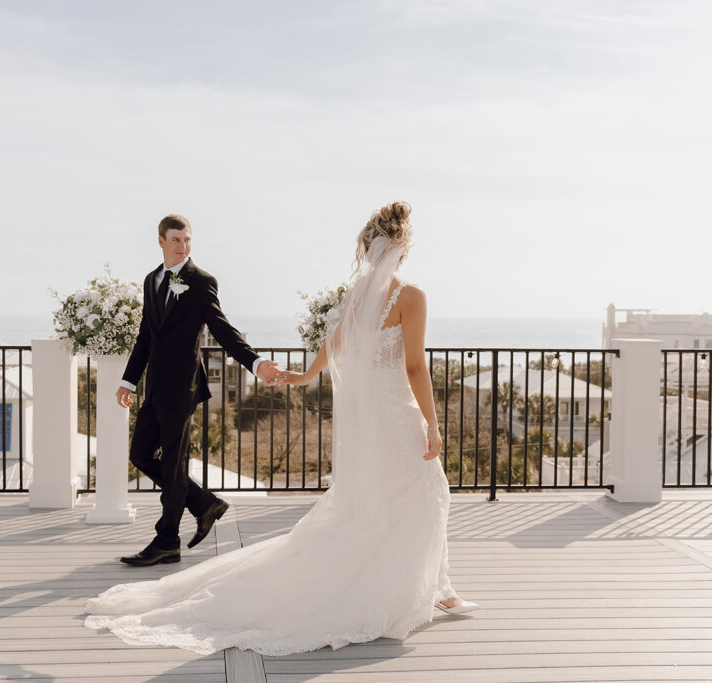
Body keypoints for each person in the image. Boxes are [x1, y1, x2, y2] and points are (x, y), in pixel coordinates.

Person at [85, 202, 477, 656]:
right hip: (395, 412)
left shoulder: (358, 294)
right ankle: (433, 588)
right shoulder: (411, 296)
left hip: (371, 416)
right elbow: (413, 365)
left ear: (369, 246)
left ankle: (437, 587)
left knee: (381, 498)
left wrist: (305, 375)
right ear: (402, 247)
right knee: (424, 490)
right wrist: (432, 422)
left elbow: (334, 342)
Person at [113, 214, 280, 566]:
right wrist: (129, 380)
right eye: (176, 239)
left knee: (173, 463)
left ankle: (167, 541)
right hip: (154, 387)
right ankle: (203, 503)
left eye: (187, 239)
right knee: (141, 454)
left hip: (182, 388)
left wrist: (255, 363)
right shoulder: (151, 280)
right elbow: (146, 335)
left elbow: (222, 329)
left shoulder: (201, 281)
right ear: (161, 241)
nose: (183, 245)